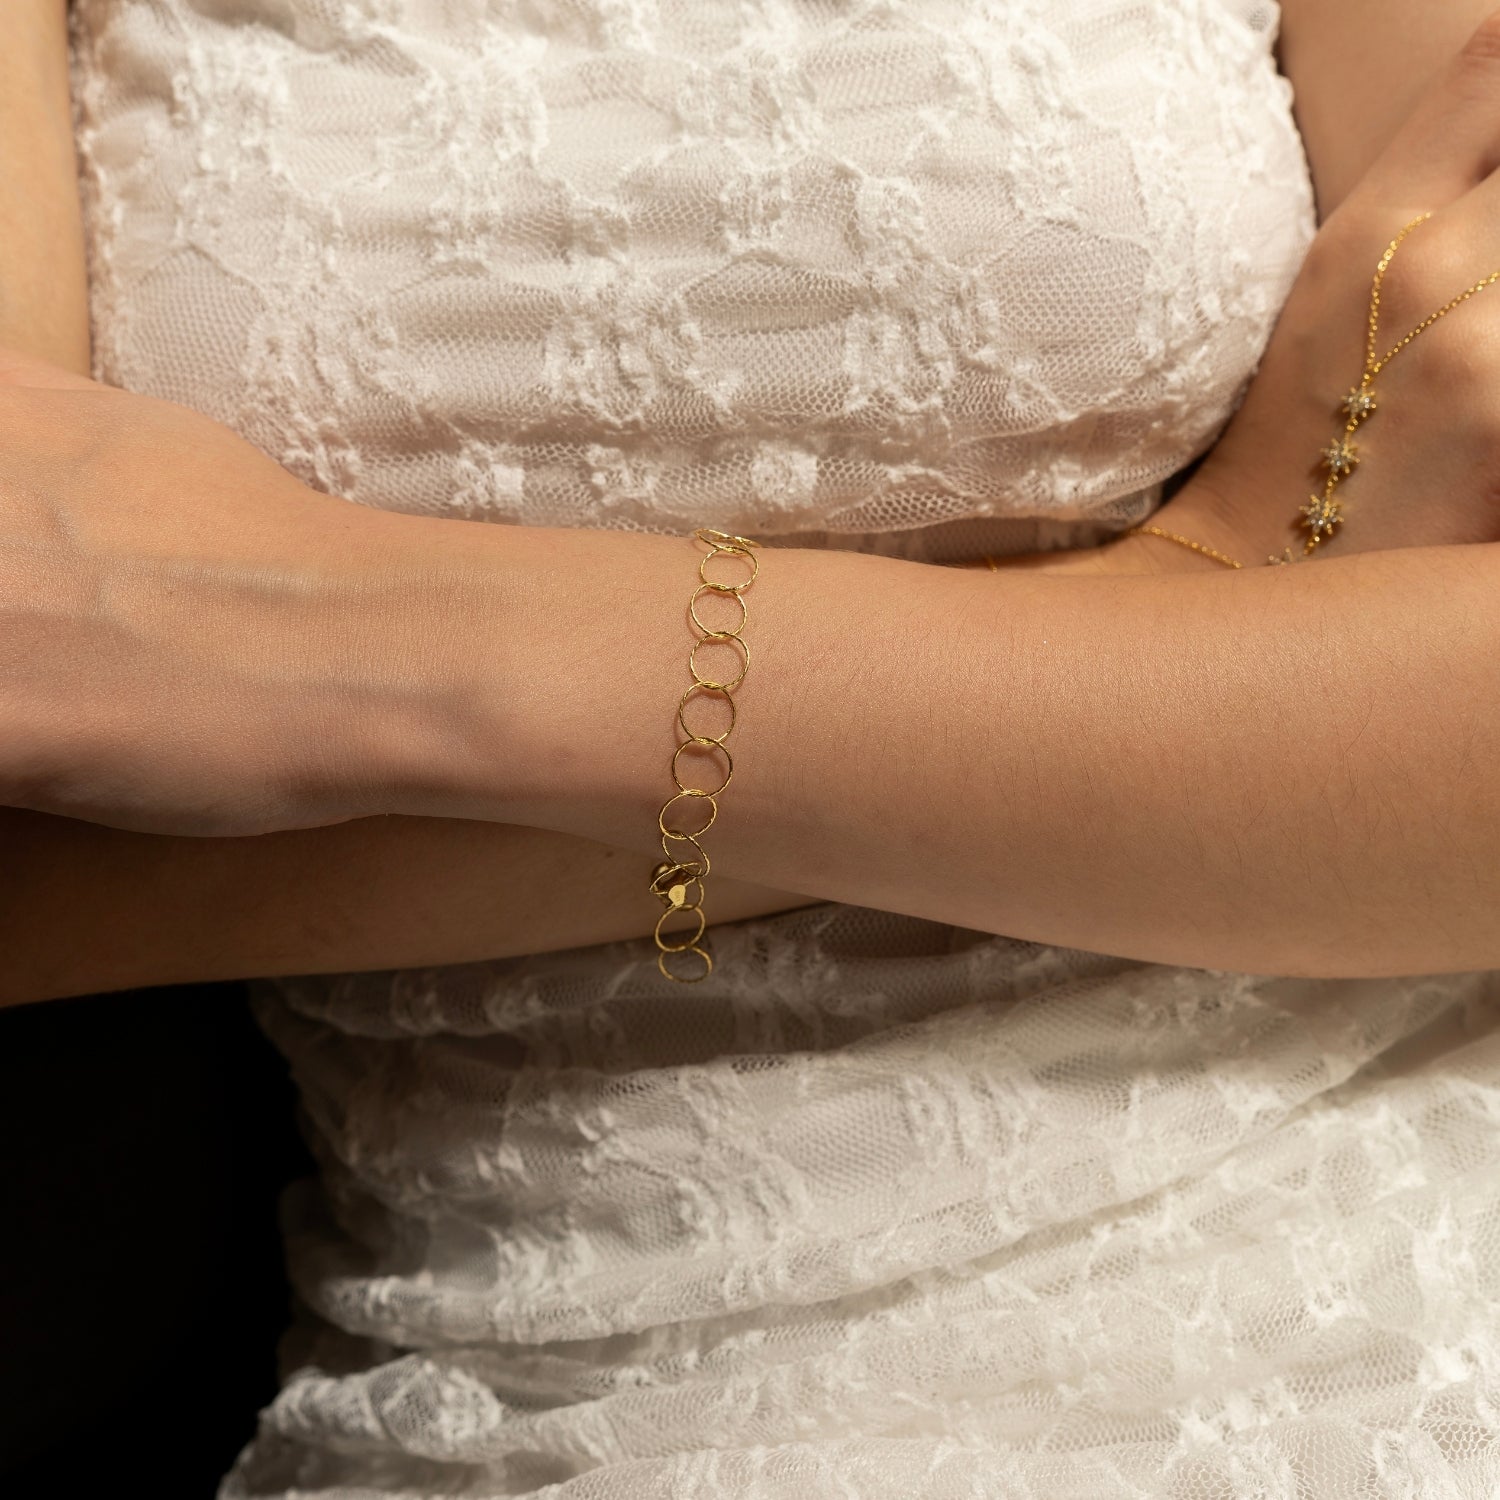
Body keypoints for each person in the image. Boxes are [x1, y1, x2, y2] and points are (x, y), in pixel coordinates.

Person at [3, 0, 1500, 1493]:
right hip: (577, 1358)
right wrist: (1201, 595)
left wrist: (329, 648)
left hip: (1390, 1211)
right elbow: (40, 842)